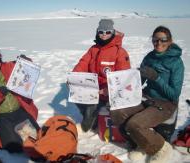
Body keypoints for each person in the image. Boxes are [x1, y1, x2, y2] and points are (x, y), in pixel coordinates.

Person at [110, 26, 184, 163]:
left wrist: (156, 78)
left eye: (163, 40)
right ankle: (139, 143)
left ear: (170, 41)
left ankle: (161, 148)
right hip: (147, 97)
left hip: (165, 103)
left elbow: (174, 94)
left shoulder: (176, 63)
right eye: (155, 40)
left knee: (134, 124)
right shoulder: (150, 57)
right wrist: (130, 80)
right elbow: (140, 81)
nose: (159, 43)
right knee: (116, 111)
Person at [72, 19, 131, 132]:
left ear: (112, 32)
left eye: (108, 32)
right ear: (97, 32)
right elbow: (83, 63)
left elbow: (124, 78)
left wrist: (107, 90)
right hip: (93, 87)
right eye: (101, 31)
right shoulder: (93, 49)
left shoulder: (119, 52)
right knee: (75, 94)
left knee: (92, 105)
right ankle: (93, 120)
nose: (104, 34)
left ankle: (86, 127)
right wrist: (74, 78)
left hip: (110, 91)